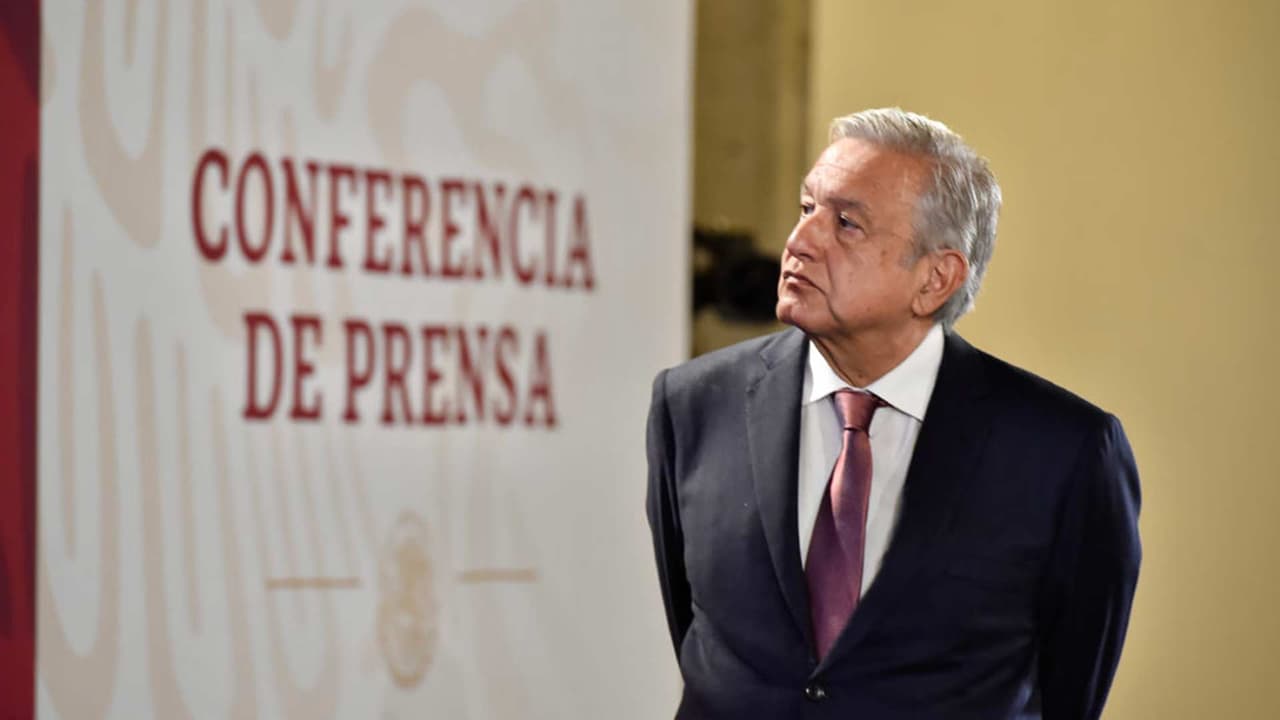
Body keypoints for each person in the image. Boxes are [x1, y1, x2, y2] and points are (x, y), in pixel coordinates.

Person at [645, 108, 1141, 719]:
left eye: (847, 223)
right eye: (806, 210)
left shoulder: (1062, 451)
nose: (800, 242)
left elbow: (1073, 691)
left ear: (936, 279)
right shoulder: (692, 404)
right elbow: (697, 634)